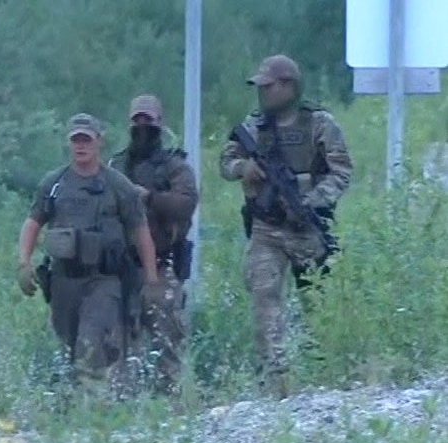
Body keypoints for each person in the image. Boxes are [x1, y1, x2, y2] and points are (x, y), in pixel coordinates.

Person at [219, 54, 353, 399]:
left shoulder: (319, 123)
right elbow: (226, 161)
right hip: (267, 229)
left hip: (308, 228)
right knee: (264, 296)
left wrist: (313, 201)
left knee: (317, 303)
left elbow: (341, 171)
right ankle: (275, 380)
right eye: (260, 87)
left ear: (288, 86)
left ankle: (320, 376)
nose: (262, 93)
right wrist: (243, 168)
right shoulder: (254, 127)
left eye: (269, 86)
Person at [17, 112, 163, 397]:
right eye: (75, 140)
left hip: (103, 280)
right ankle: (85, 408)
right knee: (69, 347)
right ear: (69, 144)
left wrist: (152, 279)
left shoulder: (117, 184)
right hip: (63, 282)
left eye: (86, 140)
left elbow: (140, 230)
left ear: (99, 142)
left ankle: (93, 406)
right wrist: (23, 262)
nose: (80, 146)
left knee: (92, 341)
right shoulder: (55, 183)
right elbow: (33, 222)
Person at [108, 95, 199, 397]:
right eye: (137, 120)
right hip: (122, 271)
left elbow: (186, 204)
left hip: (161, 268)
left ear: (159, 123)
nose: (142, 126)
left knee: (168, 347)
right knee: (118, 351)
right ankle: (122, 417)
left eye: (148, 120)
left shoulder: (175, 167)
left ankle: (172, 413)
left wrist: (148, 197)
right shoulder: (115, 165)